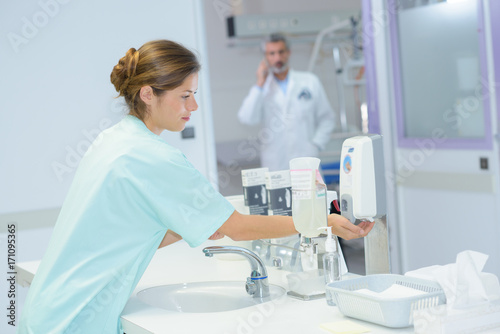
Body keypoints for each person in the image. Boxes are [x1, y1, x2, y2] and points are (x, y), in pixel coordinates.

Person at [18, 40, 373, 334]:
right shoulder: (155, 158)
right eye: (185, 96)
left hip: (47, 310)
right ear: (147, 94)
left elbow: (120, 234)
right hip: (76, 320)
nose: (194, 106)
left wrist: (196, 223)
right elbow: (239, 228)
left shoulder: (113, 141)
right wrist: (322, 221)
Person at [238, 32, 336, 171]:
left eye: (281, 52)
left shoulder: (309, 81)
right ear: (265, 57)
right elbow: (247, 118)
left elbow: (327, 118)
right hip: (276, 163)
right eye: (271, 53)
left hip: (306, 159)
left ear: (288, 53)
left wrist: (315, 145)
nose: (277, 57)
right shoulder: (262, 89)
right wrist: (260, 83)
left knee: (310, 192)